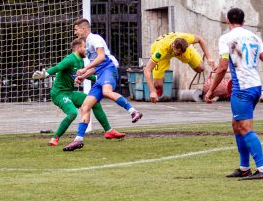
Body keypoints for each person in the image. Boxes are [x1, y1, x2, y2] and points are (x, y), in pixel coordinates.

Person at [204, 8, 263, 180]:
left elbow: (222, 67)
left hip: (242, 88)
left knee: (245, 127)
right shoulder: (254, 37)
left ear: (227, 20)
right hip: (255, 87)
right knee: (237, 126)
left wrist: (211, 90)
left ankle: (262, 169)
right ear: (243, 21)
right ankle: (244, 168)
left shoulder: (226, 38)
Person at [62, 18, 143, 151]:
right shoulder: (87, 43)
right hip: (101, 73)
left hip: (109, 69)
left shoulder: (95, 39)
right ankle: (78, 140)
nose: (75, 32)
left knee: (106, 91)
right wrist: (84, 76)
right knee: (85, 106)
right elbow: (97, 65)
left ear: (83, 28)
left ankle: (134, 111)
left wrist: (85, 68)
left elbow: (102, 58)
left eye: (76, 29)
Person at [32, 37, 125, 147]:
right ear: (78, 48)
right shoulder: (70, 59)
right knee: (72, 113)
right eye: (85, 47)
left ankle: (108, 131)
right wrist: (46, 74)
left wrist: (104, 79)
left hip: (70, 93)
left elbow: (85, 76)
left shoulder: (80, 61)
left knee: (94, 102)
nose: (86, 50)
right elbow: (57, 67)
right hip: (59, 94)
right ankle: (54, 138)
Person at [144, 32, 216, 104]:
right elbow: (147, 70)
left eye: (181, 53)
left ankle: (190, 50)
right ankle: (157, 93)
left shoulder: (186, 38)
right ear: (173, 45)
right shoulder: (160, 51)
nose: (180, 55)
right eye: (178, 53)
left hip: (181, 48)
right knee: (157, 85)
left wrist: (209, 57)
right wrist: (152, 91)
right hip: (164, 55)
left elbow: (200, 39)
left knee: (200, 68)